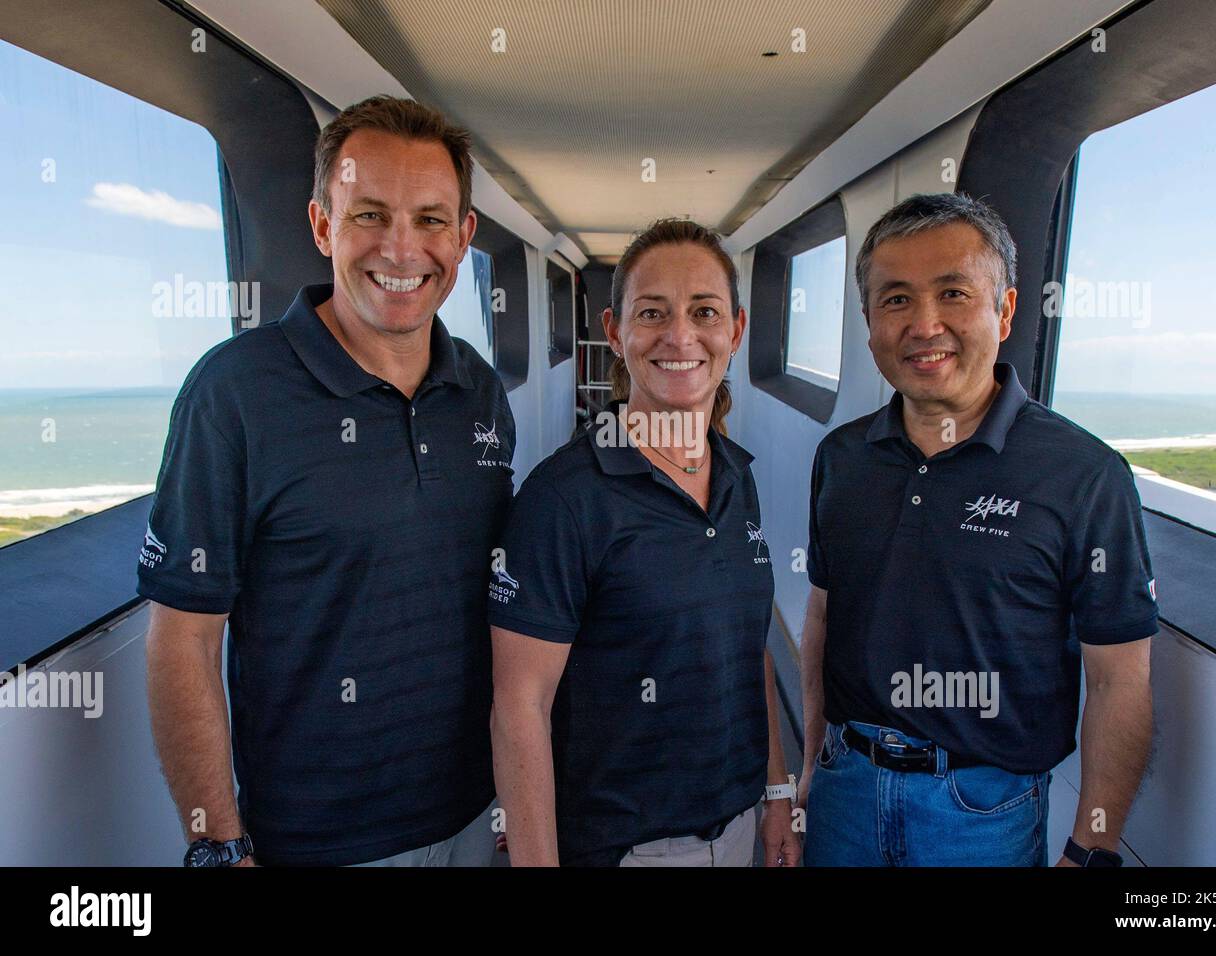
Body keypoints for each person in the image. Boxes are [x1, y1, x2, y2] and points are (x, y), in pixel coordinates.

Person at [139, 95, 515, 867]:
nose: (402, 249)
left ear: (465, 235)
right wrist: (219, 844)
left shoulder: (478, 389)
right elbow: (183, 639)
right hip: (318, 841)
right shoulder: (233, 394)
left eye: (432, 220)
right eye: (369, 214)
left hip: (475, 815)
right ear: (322, 227)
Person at [800, 192, 1157, 867]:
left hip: (982, 817)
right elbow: (821, 615)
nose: (924, 324)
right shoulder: (841, 459)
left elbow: (1121, 679)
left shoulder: (1084, 474)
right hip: (845, 791)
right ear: (869, 319)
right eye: (896, 298)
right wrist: (814, 764)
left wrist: (1093, 850)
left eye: (954, 293)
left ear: (1006, 309)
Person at [489, 219, 800, 867]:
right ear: (614, 332)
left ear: (736, 331)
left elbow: (751, 650)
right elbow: (521, 708)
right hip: (626, 848)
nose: (680, 336)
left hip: (739, 823)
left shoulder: (737, 475)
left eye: (704, 312)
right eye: (652, 313)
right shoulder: (564, 499)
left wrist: (776, 793)